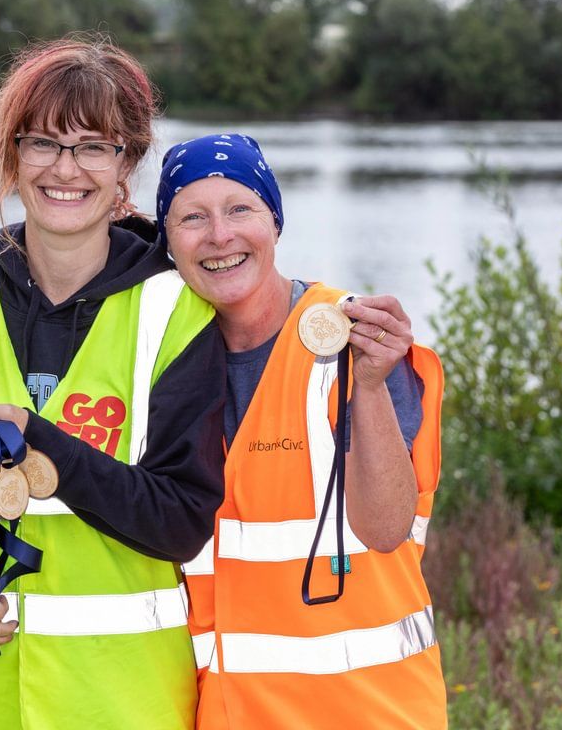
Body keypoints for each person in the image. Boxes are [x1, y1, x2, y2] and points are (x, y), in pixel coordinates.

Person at [0, 37, 226, 729]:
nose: (68, 168)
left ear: (127, 164)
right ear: (11, 155)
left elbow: (182, 522)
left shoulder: (178, 314)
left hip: (117, 701)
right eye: (44, 143)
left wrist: (46, 450)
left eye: (96, 146)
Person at [157, 133, 447, 729]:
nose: (219, 236)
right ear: (167, 241)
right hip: (228, 714)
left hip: (369, 712)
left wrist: (368, 385)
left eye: (240, 208)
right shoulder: (162, 355)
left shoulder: (355, 341)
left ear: (276, 222)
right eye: (192, 217)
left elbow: (387, 528)